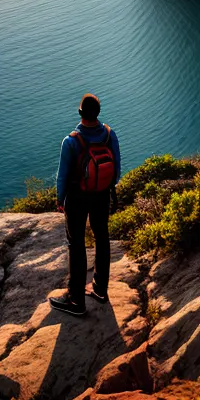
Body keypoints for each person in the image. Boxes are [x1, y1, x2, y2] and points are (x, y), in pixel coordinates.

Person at [49, 92, 121, 317]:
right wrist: (103, 186)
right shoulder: (110, 135)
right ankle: (100, 289)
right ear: (98, 113)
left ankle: (76, 300)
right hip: (102, 195)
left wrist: (60, 200)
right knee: (102, 238)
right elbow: (116, 171)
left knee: (77, 245)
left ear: (80, 112)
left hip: (78, 198)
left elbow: (62, 177)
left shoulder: (71, 141)